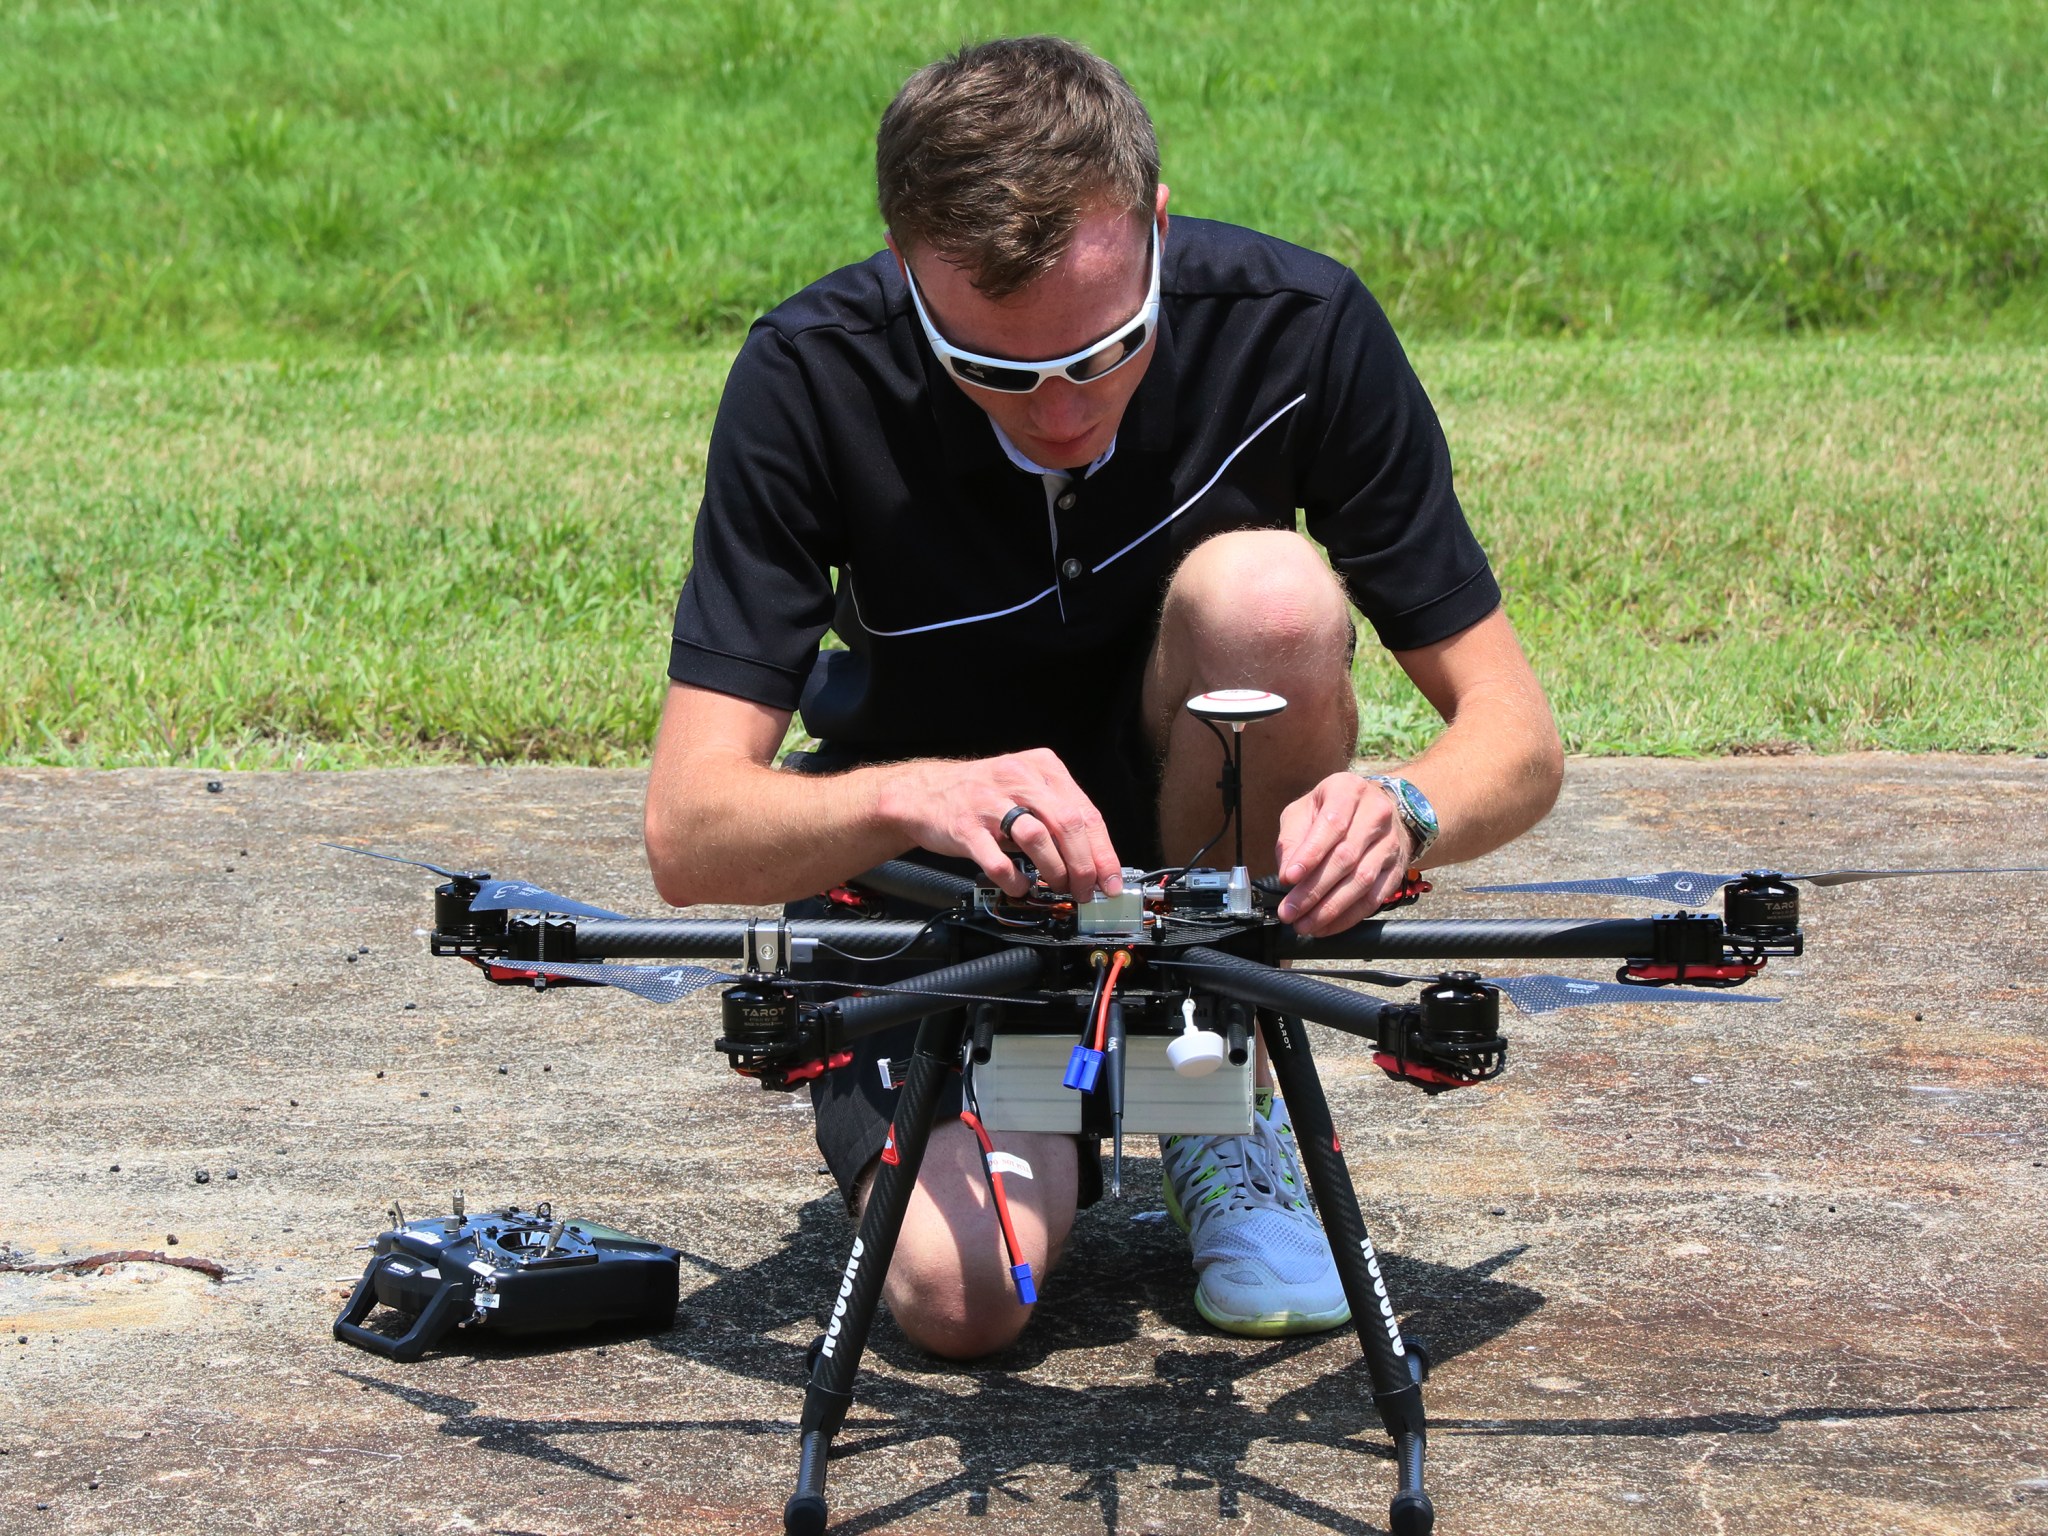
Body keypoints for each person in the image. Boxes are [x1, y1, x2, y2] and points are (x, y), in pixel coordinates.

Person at [645, 36, 1562, 1360]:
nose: (1061, 412)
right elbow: (690, 828)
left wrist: (1405, 805)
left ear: (1158, 228)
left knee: (1270, 598)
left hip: (1198, 890)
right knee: (967, 1300)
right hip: (955, 911)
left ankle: (1209, 1071)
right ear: (909, 271)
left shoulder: (1300, 327)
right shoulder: (806, 376)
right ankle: (1059, 1083)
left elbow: (1517, 739)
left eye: (1103, 351)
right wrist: (921, 793)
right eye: (997, 371)